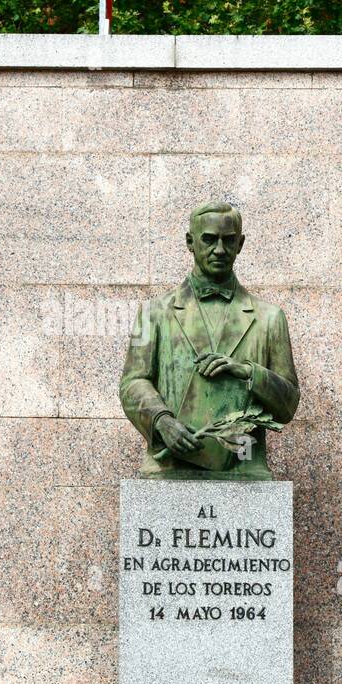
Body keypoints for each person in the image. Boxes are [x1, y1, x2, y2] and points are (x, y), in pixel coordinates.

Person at [119, 200, 300, 480]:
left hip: (243, 459)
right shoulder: (154, 312)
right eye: (209, 239)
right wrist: (161, 421)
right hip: (171, 463)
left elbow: (288, 404)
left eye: (228, 241)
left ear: (240, 244)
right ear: (190, 242)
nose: (219, 249)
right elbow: (133, 383)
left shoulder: (269, 318)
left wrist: (249, 372)